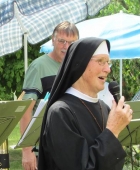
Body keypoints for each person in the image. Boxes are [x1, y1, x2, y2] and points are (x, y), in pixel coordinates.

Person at [38, 37, 133, 170]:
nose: (107, 69)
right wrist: (112, 131)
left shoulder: (104, 108)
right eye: (100, 61)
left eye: (108, 62)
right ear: (80, 64)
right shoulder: (61, 112)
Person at [20, 21, 79, 170]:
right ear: (53, 40)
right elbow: (26, 110)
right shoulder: (39, 66)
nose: (66, 46)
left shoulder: (78, 66)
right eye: (62, 41)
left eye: (72, 43)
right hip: (47, 151)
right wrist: (27, 150)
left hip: (74, 148)